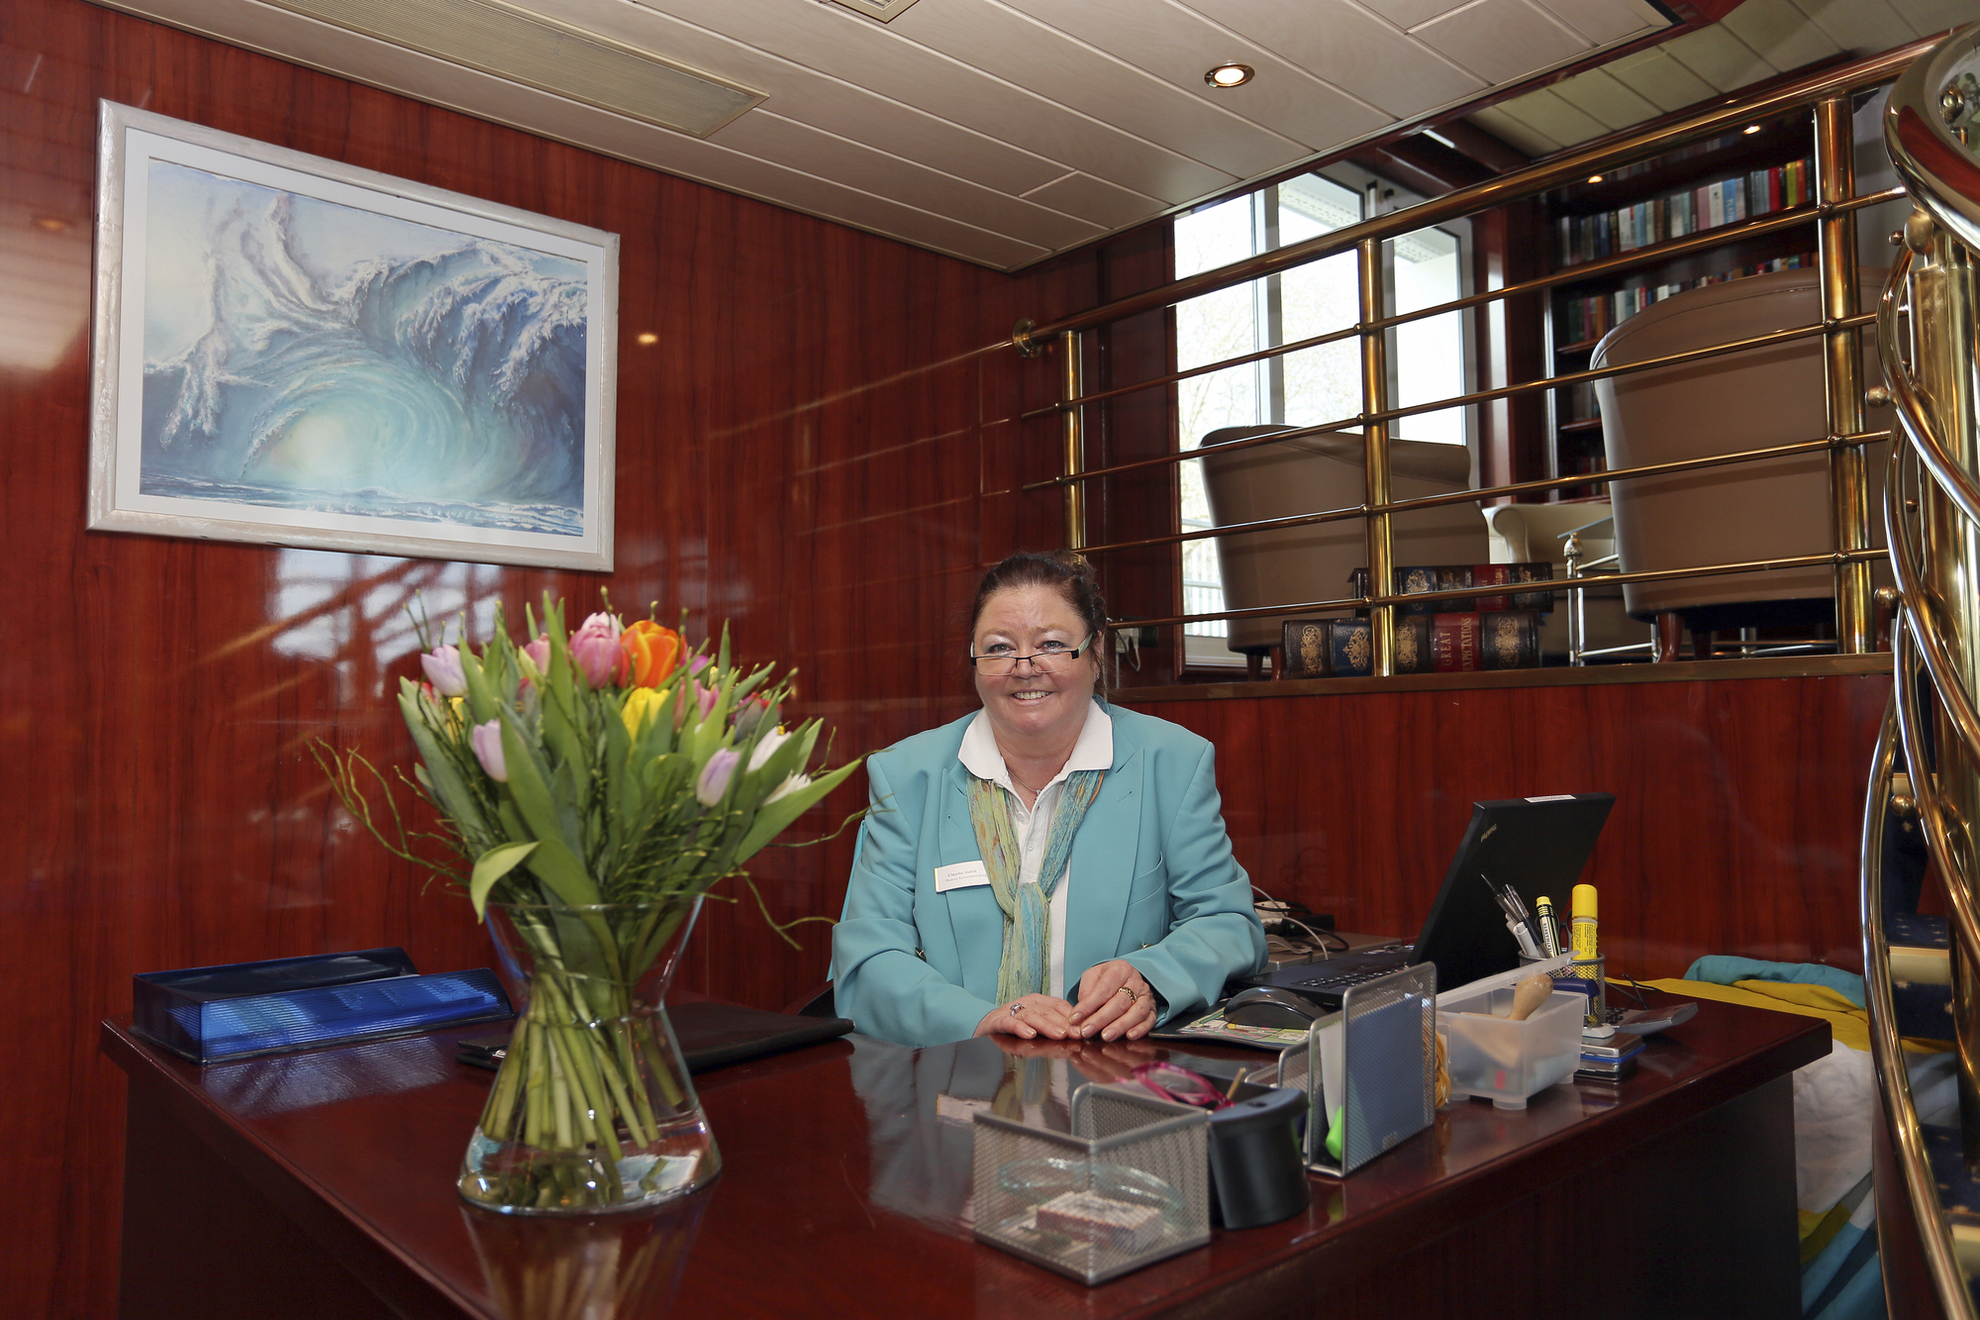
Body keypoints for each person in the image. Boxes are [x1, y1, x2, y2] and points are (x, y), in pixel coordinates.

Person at [831, 551, 1265, 1047]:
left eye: (1052, 644)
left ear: (1096, 650)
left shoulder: (1172, 763)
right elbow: (866, 961)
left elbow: (1228, 924)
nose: (1024, 667)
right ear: (974, 661)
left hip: (1114, 1082)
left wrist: (1151, 976)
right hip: (952, 1080)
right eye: (998, 648)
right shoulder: (907, 777)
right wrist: (979, 1020)